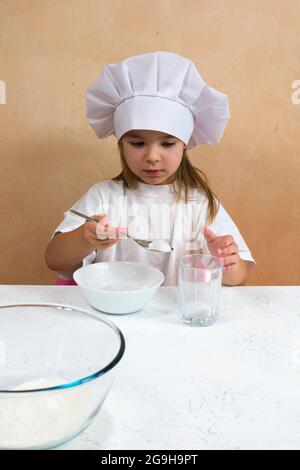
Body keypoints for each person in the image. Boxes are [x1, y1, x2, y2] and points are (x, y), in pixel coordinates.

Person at [45, 51, 255, 286]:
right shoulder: (104, 196)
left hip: (175, 316)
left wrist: (227, 261)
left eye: (167, 143)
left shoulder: (199, 202)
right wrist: (85, 238)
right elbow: (54, 259)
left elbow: (239, 277)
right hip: (114, 312)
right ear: (121, 145)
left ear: (184, 146)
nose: (152, 157)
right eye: (137, 143)